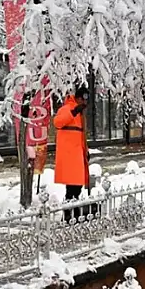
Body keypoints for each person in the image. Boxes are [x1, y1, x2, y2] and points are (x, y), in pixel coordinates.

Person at [53, 86, 90, 221]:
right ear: (78, 98)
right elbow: (57, 122)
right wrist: (73, 112)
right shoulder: (67, 109)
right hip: (69, 154)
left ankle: (73, 210)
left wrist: (86, 150)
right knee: (72, 185)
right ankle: (68, 213)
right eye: (83, 100)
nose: (84, 104)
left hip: (77, 153)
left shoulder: (81, 114)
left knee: (78, 185)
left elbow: (82, 135)